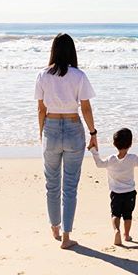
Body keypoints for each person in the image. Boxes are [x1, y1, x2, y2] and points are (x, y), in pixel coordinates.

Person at [35, 33, 98, 249]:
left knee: (51, 183)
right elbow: (86, 108)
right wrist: (93, 133)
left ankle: (54, 227)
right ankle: (66, 235)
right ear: (72, 51)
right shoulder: (78, 75)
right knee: (70, 186)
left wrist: (41, 132)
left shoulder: (43, 75)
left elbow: (41, 108)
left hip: (51, 128)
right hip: (73, 128)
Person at [91, 127, 138, 246]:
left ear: (114, 143)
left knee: (115, 214)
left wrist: (94, 151)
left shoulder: (111, 159)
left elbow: (99, 164)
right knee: (128, 215)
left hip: (115, 193)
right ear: (130, 144)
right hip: (130, 193)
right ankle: (126, 235)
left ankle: (116, 230)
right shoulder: (132, 158)